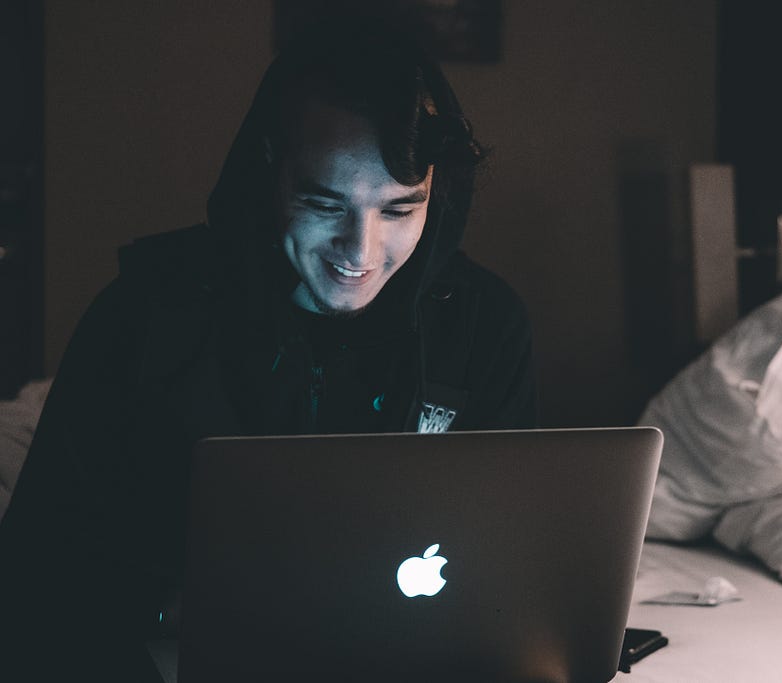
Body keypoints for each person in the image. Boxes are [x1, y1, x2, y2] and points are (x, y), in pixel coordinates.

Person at [0, 16, 535, 681]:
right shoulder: (143, 318)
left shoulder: (484, 326)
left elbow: (502, 572)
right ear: (268, 170)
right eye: (323, 201)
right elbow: (37, 592)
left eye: (400, 210)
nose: (360, 252)